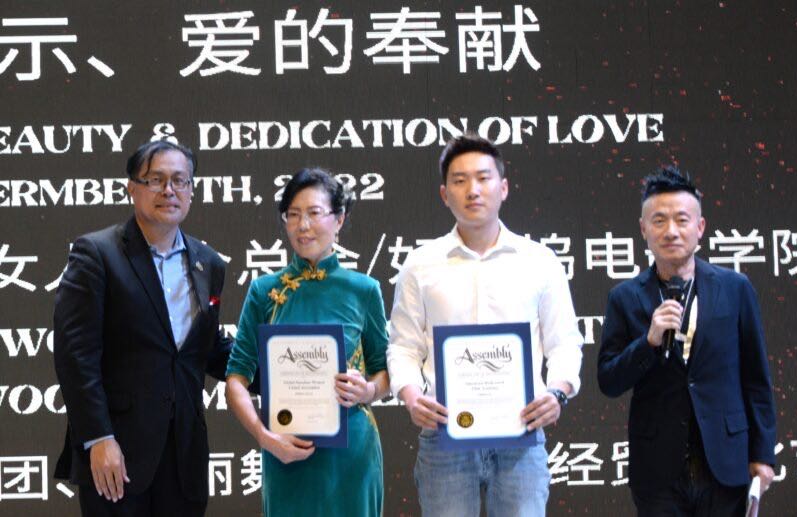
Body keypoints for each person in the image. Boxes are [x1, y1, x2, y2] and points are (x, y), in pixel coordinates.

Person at [387, 133, 583, 516]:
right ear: (444, 194)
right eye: (460, 181)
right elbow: (403, 346)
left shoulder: (539, 261)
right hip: (444, 433)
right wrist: (411, 396)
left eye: (483, 178)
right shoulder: (420, 265)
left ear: (503, 188)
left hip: (521, 432)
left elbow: (564, 342)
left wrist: (558, 393)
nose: (472, 190)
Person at [53, 140, 234, 515]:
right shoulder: (97, 254)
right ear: (132, 188)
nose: (169, 190)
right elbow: (76, 356)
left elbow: (208, 348)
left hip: (184, 455)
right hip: (117, 454)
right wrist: (98, 438)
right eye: (156, 179)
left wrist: (283, 372)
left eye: (180, 181)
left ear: (191, 191)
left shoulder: (208, 262)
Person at [597, 166, 776, 516]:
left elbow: (756, 379)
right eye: (659, 221)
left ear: (700, 227)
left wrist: (763, 454)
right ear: (643, 229)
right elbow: (609, 380)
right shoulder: (625, 297)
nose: (671, 231)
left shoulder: (735, 288)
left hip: (726, 462)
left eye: (682, 220)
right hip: (657, 470)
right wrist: (648, 342)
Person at [225, 168, 390, 516]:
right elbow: (236, 378)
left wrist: (368, 391)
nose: (303, 226)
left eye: (314, 213)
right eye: (293, 215)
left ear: (339, 219)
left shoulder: (364, 289)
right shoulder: (263, 291)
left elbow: (384, 371)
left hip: (351, 453)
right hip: (284, 450)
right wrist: (264, 437)